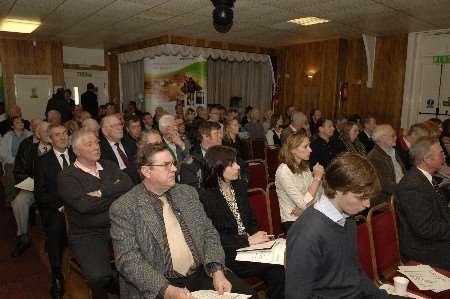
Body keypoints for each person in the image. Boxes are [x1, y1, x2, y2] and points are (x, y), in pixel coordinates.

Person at [110, 144, 255, 299]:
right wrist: (167, 290)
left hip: (202, 272)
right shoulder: (124, 207)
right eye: (166, 165)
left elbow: (209, 233)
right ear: (147, 171)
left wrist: (217, 270)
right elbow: (128, 261)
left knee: (250, 296)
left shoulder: (186, 193)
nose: (174, 169)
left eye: (173, 163)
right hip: (160, 283)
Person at [286, 152, 396, 299]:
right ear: (338, 190)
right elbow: (297, 295)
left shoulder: (347, 220)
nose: (367, 204)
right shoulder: (307, 233)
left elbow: (354, 272)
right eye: (361, 197)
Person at [200, 145, 284, 298]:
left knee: (286, 258)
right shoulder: (206, 197)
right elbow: (213, 237)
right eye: (232, 164)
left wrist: (259, 236)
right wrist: (247, 240)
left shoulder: (239, 187)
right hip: (229, 254)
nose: (238, 167)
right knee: (277, 270)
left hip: (250, 248)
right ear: (218, 168)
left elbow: (250, 220)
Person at [58, 129, 132, 299]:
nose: (96, 147)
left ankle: (120, 284)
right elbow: (84, 206)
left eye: (97, 142)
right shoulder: (67, 176)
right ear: (76, 151)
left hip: (120, 225)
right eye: (89, 144)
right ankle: (108, 285)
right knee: (99, 277)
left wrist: (101, 192)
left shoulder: (109, 165)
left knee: (146, 261)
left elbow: (128, 184)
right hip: (87, 233)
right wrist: (115, 194)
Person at [395, 137, 450, 271]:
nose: (445, 155)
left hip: (433, 240)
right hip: (422, 248)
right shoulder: (413, 186)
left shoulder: (426, 177)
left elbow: (440, 212)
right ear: (427, 159)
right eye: (440, 153)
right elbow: (425, 229)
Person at [35, 124, 75, 299]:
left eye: (65, 133)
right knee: (55, 229)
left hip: (81, 205)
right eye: (57, 135)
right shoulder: (43, 161)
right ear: (50, 139)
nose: (62, 137)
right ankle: (57, 274)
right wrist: (61, 206)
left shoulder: (78, 154)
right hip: (56, 207)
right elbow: (40, 194)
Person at [10, 121, 50, 257]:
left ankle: (53, 237)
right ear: (38, 134)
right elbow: (19, 171)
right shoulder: (27, 146)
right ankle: (23, 236)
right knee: (19, 202)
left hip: (53, 189)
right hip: (32, 186)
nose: (50, 134)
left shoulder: (58, 146)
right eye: (46, 131)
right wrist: (34, 186)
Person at [275, 131, 324, 232]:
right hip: (292, 221)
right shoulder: (283, 171)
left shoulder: (304, 167)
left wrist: (305, 209)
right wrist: (317, 178)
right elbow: (304, 203)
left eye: (309, 146)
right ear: (293, 150)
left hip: (309, 216)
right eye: (305, 147)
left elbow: (318, 196)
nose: (310, 150)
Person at [367, 124, 405, 206]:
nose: (396, 138)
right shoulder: (374, 157)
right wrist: (407, 189)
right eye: (393, 136)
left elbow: (403, 173)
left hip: (400, 192)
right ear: (382, 139)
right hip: (386, 200)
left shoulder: (393, 151)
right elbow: (386, 185)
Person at [99, 114, 139, 184]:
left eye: (120, 124)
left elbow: (138, 163)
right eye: (114, 126)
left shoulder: (130, 142)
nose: (120, 128)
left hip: (137, 181)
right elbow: (112, 174)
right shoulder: (100, 149)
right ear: (105, 131)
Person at [0, 116, 32, 202]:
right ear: (12, 126)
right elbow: (3, 153)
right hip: (11, 162)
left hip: (26, 161)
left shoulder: (29, 134)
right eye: (17, 122)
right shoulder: (7, 136)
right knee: (11, 170)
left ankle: (27, 197)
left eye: (21, 121)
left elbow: (32, 151)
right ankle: (10, 197)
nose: (21, 123)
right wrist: (15, 161)